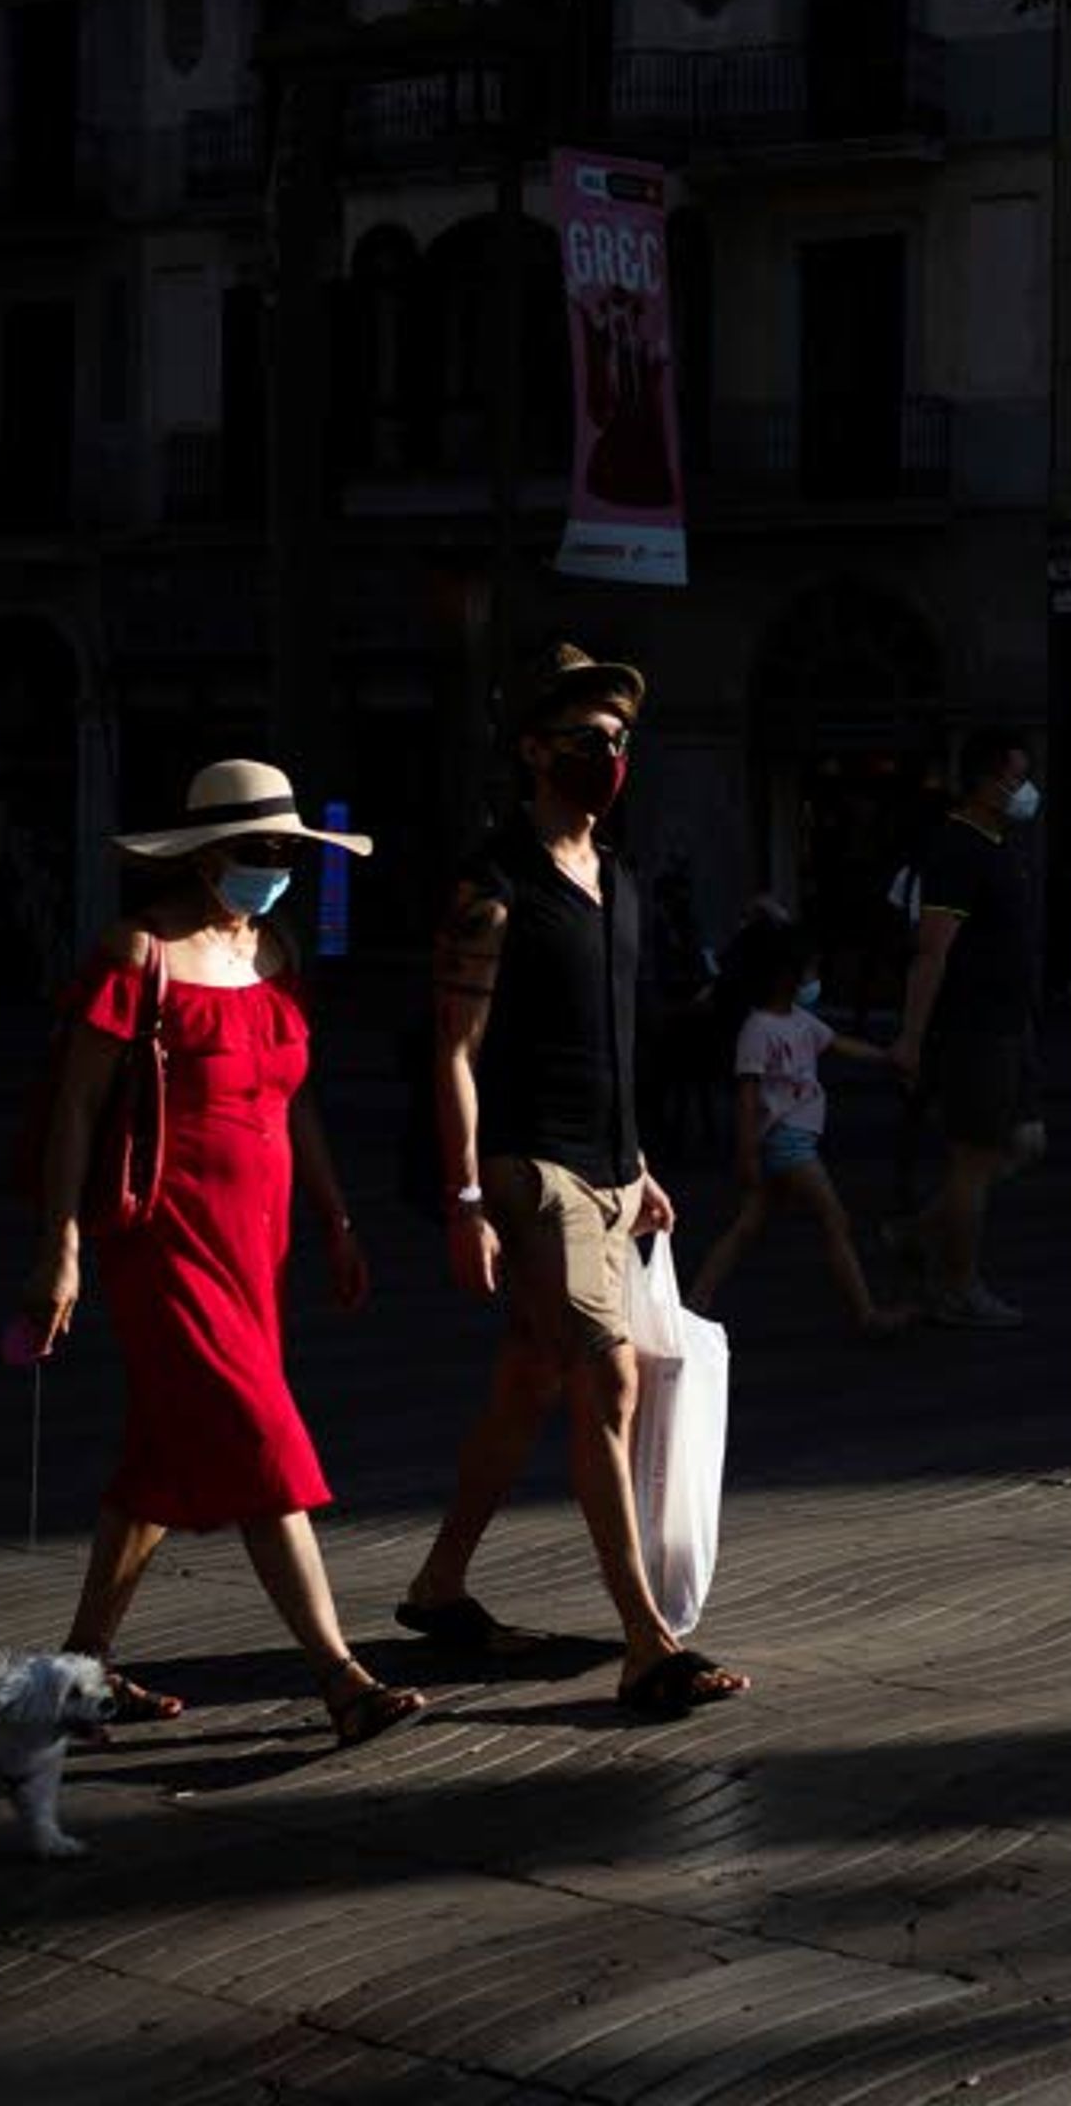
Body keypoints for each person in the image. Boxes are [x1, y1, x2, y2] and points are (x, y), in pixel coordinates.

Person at [19, 759, 424, 1749]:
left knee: (161, 1456)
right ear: (204, 855)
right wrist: (59, 1243)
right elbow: (74, 1106)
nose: (273, 866)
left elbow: (298, 1101)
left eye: (287, 851)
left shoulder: (276, 951)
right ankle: (342, 1676)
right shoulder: (139, 951)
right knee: (260, 1438)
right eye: (257, 851)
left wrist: (336, 1218)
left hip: (260, 1240)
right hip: (162, 1235)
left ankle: (80, 1673)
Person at [406, 644, 748, 1718]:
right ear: (536, 750)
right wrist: (467, 1198)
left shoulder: (623, 881)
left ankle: (439, 1583)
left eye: (622, 739)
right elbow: (453, 1047)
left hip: (607, 1170)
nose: (611, 755)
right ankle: (648, 1646)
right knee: (607, 1381)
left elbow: (615, 1039)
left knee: (529, 1378)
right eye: (591, 738)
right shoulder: (494, 885)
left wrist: (639, 1164)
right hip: (528, 1167)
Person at [887, 727, 1045, 1328]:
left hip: (1009, 1024)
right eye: (1015, 776)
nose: (1024, 789)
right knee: (973, 1159)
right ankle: (957, 1286)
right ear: (986, 781)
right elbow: (933, 950)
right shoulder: (958, 849)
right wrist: (911, 1035)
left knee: (1026, 1142)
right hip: (974, 1028)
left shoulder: (999, 844)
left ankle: (918, 1230)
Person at [687, 918, 915, 1334]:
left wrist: (888, 1057)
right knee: (835, 1220)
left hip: (788, 1141)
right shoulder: (759, 1029)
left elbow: (841, 1044)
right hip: (787, 1143)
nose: (815, 979)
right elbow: (747, 1097)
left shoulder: (799, 1021)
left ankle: (695, 1301)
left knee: (748, 1226)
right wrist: (747, 1154)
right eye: (809, 971)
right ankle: (866, 1315)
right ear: (785, 976)